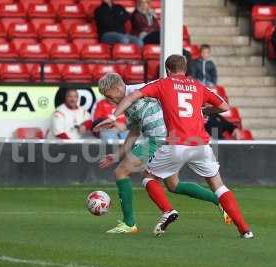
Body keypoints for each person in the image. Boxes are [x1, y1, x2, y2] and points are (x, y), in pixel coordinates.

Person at [95, 55, 253, 239]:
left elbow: (161, 90)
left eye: (108, 96)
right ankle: (220, 204)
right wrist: (116, 155)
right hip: (186, 140)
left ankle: (131, 222)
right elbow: (135, 131)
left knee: (122, 172)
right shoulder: (131, 105)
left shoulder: (139, 90)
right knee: (173, 185)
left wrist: (113, 117)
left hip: (162, 139)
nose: (108, 100)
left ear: (116, 87)